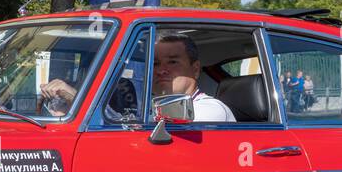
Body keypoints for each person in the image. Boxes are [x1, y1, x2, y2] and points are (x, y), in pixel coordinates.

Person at [40, 32, 236, 123]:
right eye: (155, 63)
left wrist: (79, 99)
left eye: (173, 62)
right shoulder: (148, 109)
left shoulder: (210, 111)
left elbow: (158, 143)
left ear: (195, 70)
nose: (162, 70)